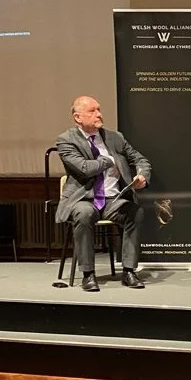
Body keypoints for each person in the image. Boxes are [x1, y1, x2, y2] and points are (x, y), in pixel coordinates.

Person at [55, 96, 152, 292]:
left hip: (113, 200)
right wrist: (108, 160)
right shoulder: (66, 140)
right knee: (84, 214)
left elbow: (141, 159)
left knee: (135, 212)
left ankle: (129, 271)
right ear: (78, 117)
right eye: (92, 111)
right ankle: (88, 274)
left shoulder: (115, 138)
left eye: (99, 109)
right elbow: (83, 168)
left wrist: (142, 176)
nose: (99, 114)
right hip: (84, 199)